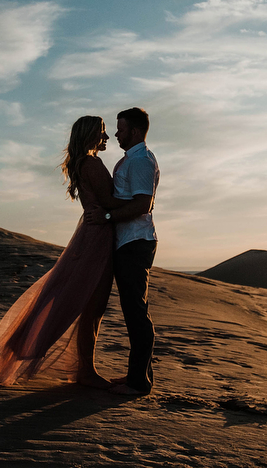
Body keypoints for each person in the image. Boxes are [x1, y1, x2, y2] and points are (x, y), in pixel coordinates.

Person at [0, 115, 125, 388]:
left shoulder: (80, 163)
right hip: (97, 239)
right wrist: (140, 198)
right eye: (102, 133)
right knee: (91, 307)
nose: (107, 138)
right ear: (89, 135)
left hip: (91, 235)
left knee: (74, 301)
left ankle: (81, 367)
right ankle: (85, 370)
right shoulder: (92, 163)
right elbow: (110, 202)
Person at [103, 107, 159, 396]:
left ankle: (138, 383)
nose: (116, 134)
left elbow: (142, 205)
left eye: (121, 129)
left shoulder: (141, 162)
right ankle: (138, 377)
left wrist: (108, 218)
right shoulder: (130, 160)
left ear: (135, 131)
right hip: (127, 242)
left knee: (136, 311)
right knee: (133, 310)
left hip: (135, 242)